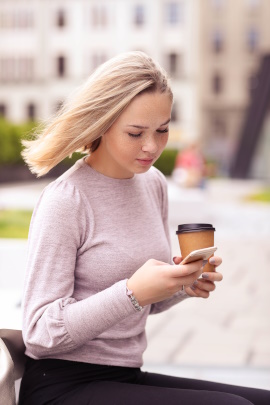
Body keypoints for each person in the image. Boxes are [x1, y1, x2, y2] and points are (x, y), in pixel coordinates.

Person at [18, 51, 269, 405]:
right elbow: (40, 333)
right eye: (136, 133)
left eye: (163, 130)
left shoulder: (152, 183)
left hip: (125, 376)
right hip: (61, 384)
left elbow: (141, 305)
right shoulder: (66, 200)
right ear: (102, 123)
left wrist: (180, 284)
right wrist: (132, 291)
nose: (151, 146)